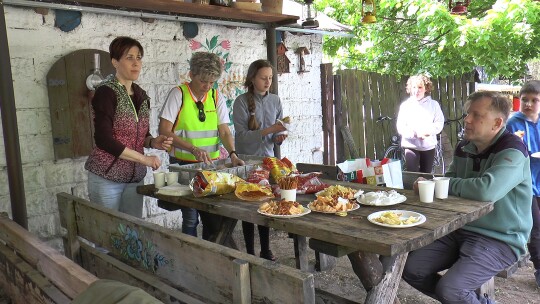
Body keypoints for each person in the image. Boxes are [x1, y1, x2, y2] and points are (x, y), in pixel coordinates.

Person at [403, 91, 533, 303]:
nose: (467, 119)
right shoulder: (464, 147)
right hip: (459, 228)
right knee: (410, 269)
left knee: (451, 290)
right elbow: (449, 184)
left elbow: (485, 190)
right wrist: (439, 186)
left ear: (497, 123)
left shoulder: (513, 150)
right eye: (467, 114)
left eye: (476, 115)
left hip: (502, 238)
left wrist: (438, 184)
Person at [159, 52, 244, 238]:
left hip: (210, 166)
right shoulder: (178, 94)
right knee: (190, 216)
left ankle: (209, 251)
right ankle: (189, 251)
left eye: (212, 82)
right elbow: (164, 130)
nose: (207, 87)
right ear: (191, 75)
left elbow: (224, 131)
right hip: (183, 164)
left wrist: (233, 154)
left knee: (211, 215)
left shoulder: (216, 96)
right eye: (203, 81)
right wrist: (192, 148)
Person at [85, 36, 173, 218]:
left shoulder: (141, 95)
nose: (136, 63)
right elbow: (103, 139)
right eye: (129, 57)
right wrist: (144, 159)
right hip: (107, 176)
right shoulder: (106, 92)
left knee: (132, 233)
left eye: (139, 57)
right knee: (107, 235)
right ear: (115, 62)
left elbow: (142, 135)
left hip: (134, 178)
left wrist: (153, 142)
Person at [233, 59, 287, 261]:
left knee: (266, 205)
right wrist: (271, 130)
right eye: (263, 78)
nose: (268, 82)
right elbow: (241, 137)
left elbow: (275, 137)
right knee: (248, 208)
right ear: (252, 79)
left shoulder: (275, 100)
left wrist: (279, 137)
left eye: (270, 78)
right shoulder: (240, 102)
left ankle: (266, 249)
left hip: (268, 161)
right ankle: (249, 252)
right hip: (246, 163)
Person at [506, 80, 540, 287]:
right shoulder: (513, 123)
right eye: (525, 99)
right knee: (536, 227)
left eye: (535, 100)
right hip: (525, 182)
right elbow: (506, 151)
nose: (528, 104)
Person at [396, 74, 444, 173]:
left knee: (425, 177)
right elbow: (401, 126)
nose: (416, 90)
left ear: (426, 88)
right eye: (414, 87)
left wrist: (427, 132)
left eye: (420, 87)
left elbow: (439, 123)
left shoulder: (434, 105)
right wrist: (414, 134)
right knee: (412, 176)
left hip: (428, 146)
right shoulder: (405, 106)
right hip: (411, 146)